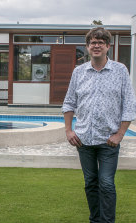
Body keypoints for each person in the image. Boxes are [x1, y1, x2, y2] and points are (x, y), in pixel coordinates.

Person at [62, 27, 136, 223]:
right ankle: (95, 220)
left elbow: (129, 104)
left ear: (107, 47)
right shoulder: (79, 72)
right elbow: (69, 102)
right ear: (87, 47)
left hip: (109, 141)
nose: (96, 46)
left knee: (106, 183)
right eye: (93, 42)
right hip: (83, 140)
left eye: (100, 43)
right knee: (91, 183)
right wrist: (69, 130)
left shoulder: (120, 71)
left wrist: (120, 134)